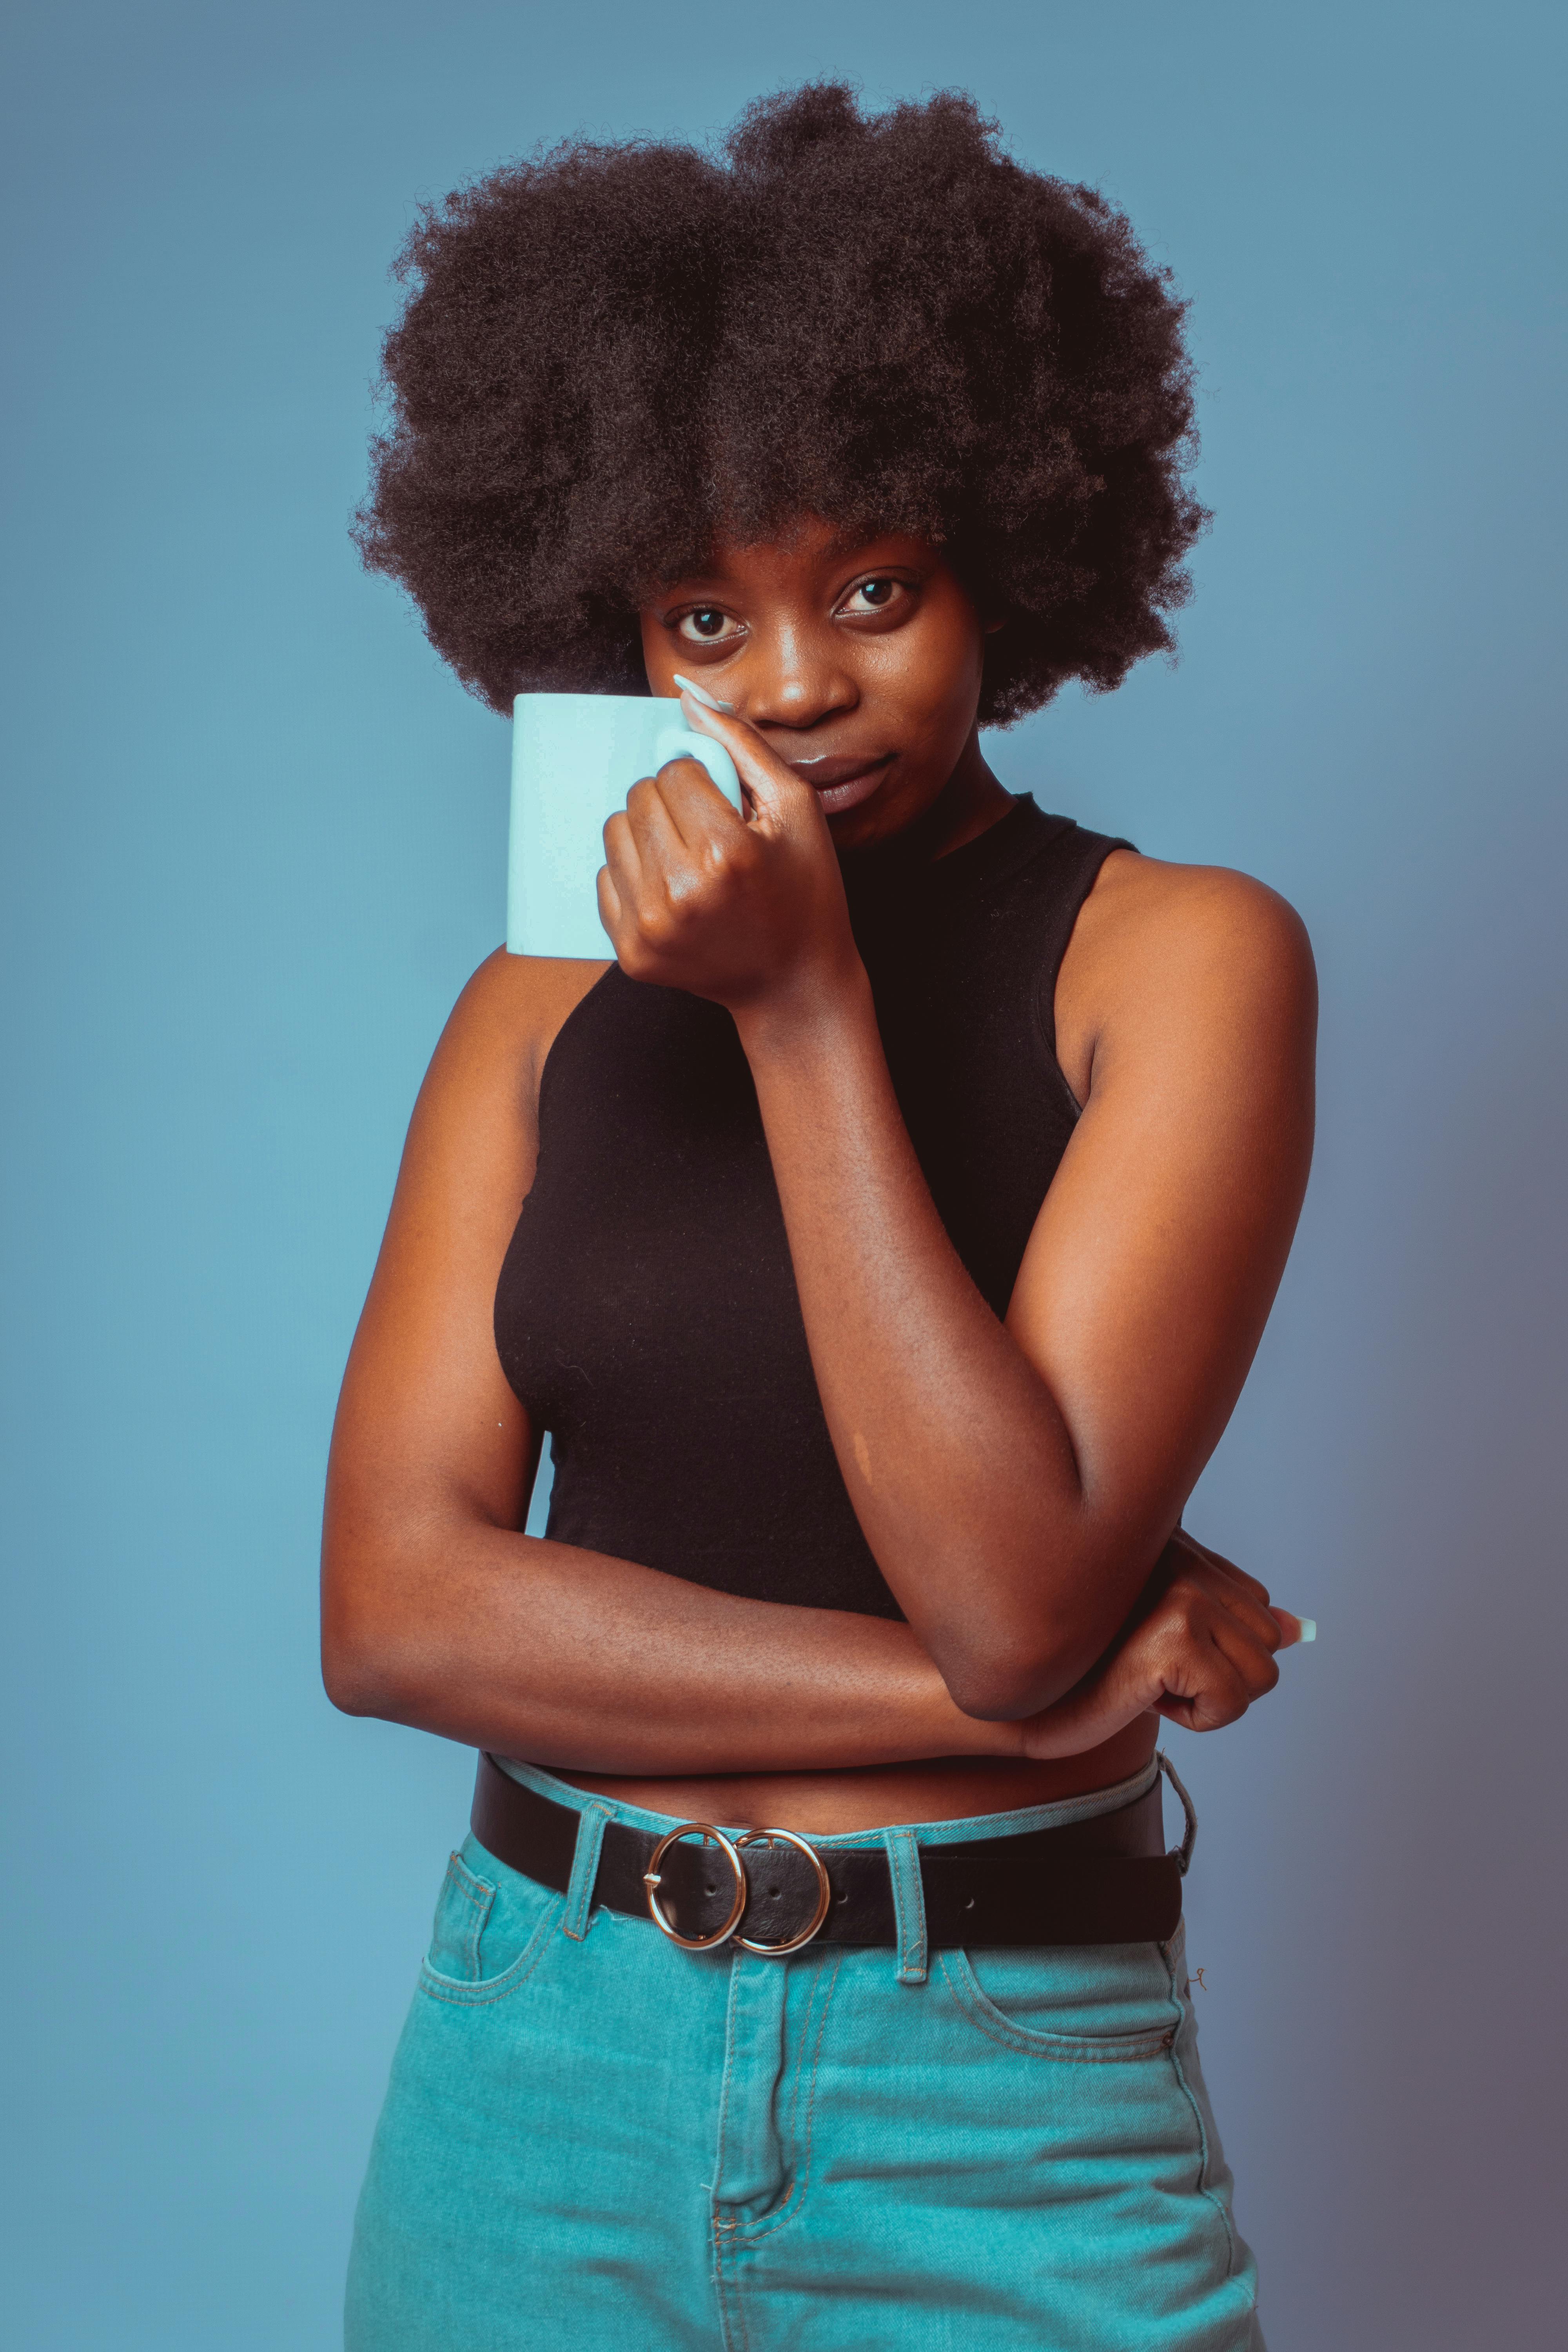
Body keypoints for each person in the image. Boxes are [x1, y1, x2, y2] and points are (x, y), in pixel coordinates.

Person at [324, 83, 1316, 2352]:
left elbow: (1004, 1589)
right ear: (606, 632)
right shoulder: (531, 1009)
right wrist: (1055, 1713)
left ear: (1004, 550)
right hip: (533, 2057)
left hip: (1005, 2087)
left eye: (873, 587)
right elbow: (395, 1612)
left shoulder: (1182, 963)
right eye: (703, 618)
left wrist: (802, 1013)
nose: (792, 687)